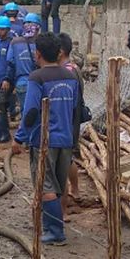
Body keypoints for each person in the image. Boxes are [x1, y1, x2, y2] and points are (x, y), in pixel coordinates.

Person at [14, 32, 81, 245]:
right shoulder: (71, 77)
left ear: (38, 54)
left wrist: (19, 138)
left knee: (46, 186)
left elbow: (31, 110)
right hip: (66, 139)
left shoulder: (37, 78)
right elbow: (75, 109)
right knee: (58, 185)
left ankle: (55, 232)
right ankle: (53, 225)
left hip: (44, 141)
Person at [57, 31, 84, 219]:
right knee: (70, 157)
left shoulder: (65, 72)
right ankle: (75, 189)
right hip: (74, 119)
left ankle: (63, 211)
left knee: (62, 163)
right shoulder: (74, 68)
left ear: (59, 51)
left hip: (67, 120)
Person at [9, 13, 41, 119]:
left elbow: (10, 62)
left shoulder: (15, 42)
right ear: (38, 28)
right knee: (37, 114)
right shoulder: (41, 43)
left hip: (21, 83)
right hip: (38, 84)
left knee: (25, 115)